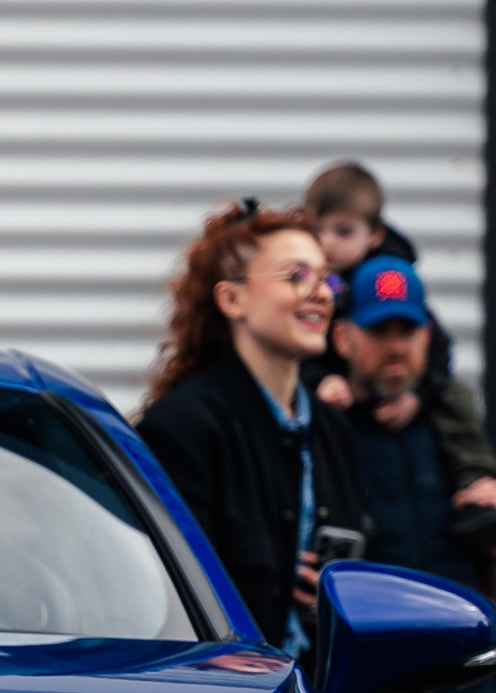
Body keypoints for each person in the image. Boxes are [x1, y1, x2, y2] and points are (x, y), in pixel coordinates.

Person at [328, 257, 496, 693]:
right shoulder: (325, 434)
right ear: (344, 338)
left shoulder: (450, 433)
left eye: (406, 330)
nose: (395, 346)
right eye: (379, 330)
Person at [136, 202, 367, 657]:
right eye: (296, 276)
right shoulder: (183, 427)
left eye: (326, 278)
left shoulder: (336, 434)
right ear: (232, 299)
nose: (321, 293)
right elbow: (166, 603)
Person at [303, 157, 496, 490]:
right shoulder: (312, 280)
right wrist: (319, 381)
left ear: (374, 235)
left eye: (343, 231)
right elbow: (298, 347)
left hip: (397, 393)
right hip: (341, 397)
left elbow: (437, 346)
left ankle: (477, 482)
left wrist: (418, 397)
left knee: (454, 398)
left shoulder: (391, 277)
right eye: (317, 230)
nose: (326, 243)